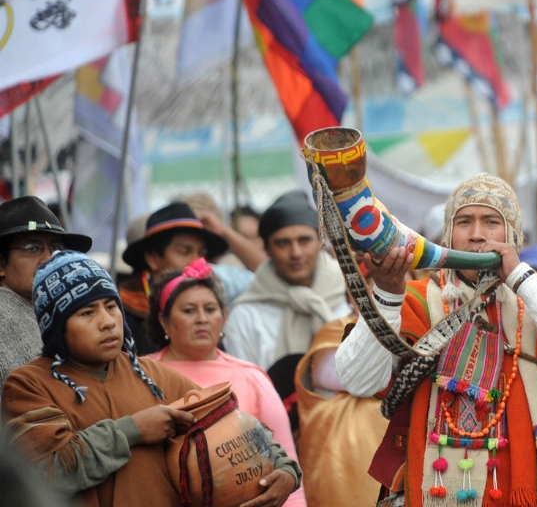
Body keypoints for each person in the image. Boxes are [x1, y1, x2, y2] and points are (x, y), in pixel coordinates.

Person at [335, 173, 537, 507]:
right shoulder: (417, 300)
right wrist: (388, 296)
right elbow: (357, 380)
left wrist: (519, 276)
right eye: (464, 222)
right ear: (449, 235)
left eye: (491, 222)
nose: (477, 235)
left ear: (513, 235)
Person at [1, 251, 303, 507]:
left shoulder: (153, 375)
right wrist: (134, 430)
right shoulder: (29, 385)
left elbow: (232, 424)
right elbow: (46, 471)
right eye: (87, 313)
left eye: (110, 307)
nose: (107, 322)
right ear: (57, 329)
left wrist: (285, 469)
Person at [145, 258, 306, 507]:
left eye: (210, 309)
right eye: (189, 311)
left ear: (224, 316)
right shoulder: (141, 374)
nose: (202, 319)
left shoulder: (251, 377)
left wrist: (286, 484)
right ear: (164, 321)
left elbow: (285, 464)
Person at [293, 263, 389, 507]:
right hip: (344, 463)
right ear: (353, 294)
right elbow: (339, 376)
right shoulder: (336, 329)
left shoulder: (422, 331)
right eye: (385, 289)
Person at [224, 191, 350, 372]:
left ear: (321, 242)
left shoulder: (350, 297)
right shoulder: (247, 314)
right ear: (266, 249)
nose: (296, 253)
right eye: (283, 243)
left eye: (304, 240)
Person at [119, 202, 252, 354]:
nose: (197, 261)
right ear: (153, 258)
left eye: (202, 253)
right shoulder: (121, 311)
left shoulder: (214, 293)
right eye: (184, 251)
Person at [0, 196, 93, 398]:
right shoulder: (4, 318)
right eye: (32, 248)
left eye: (57, 249)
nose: (49, 259)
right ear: (1, 264)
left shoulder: (53, 313)